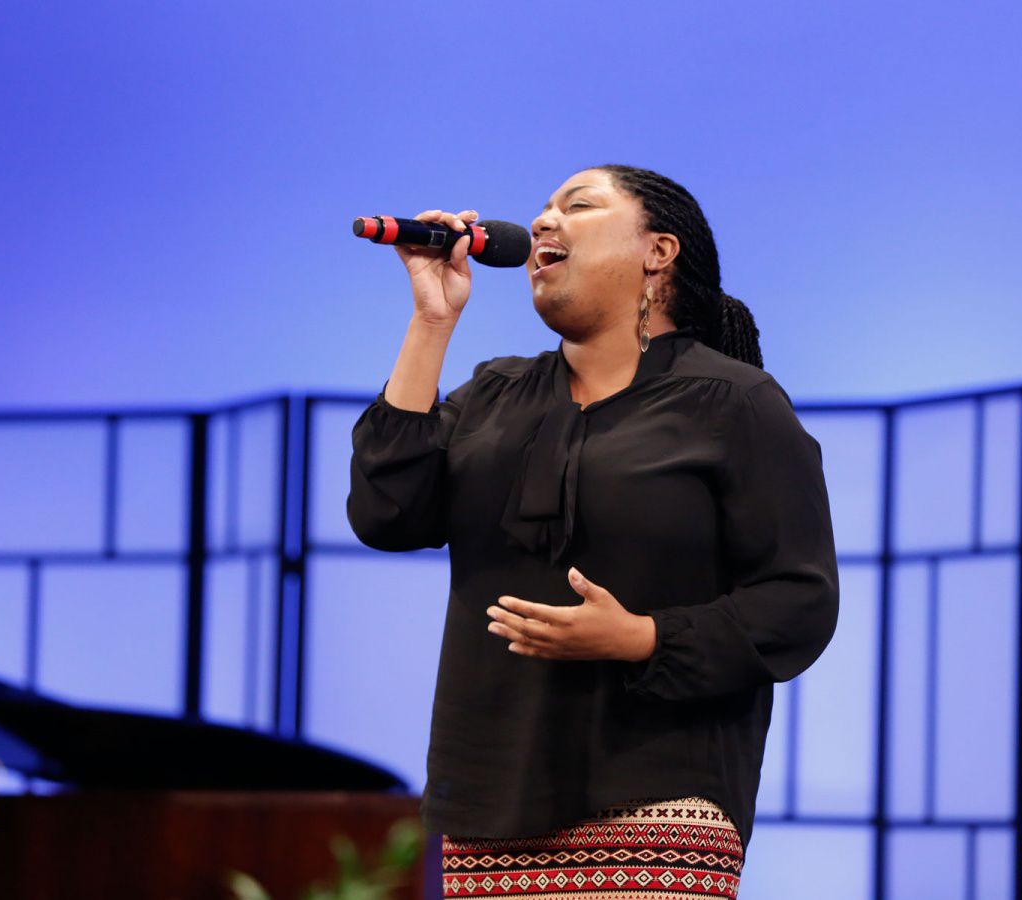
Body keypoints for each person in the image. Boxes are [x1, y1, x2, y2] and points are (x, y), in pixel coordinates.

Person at [347, 164, 839, 899]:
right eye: (543, 209)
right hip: (490, 804)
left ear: (658, 252)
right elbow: (386, 515)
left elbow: (798, 602)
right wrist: (432, 322)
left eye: (577, 206)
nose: (543, 221)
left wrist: (642, 637)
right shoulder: (494, 395)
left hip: (658, 797)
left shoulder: (733, 403)